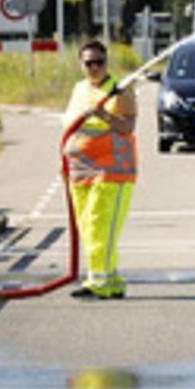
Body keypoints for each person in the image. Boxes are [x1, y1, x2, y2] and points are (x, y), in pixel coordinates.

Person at [63, 40, 137, 300]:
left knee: (99, 225)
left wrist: (104, 115)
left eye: (99, 62)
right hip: (79, 171)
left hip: (111, 170)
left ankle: (98, 282)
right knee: (88, 227)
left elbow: (128, 127)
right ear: (81, 65)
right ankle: (112, 278)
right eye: (89, 63)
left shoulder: (120, 91)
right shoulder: (79, 89)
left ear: (107, 63)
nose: (94, 67)